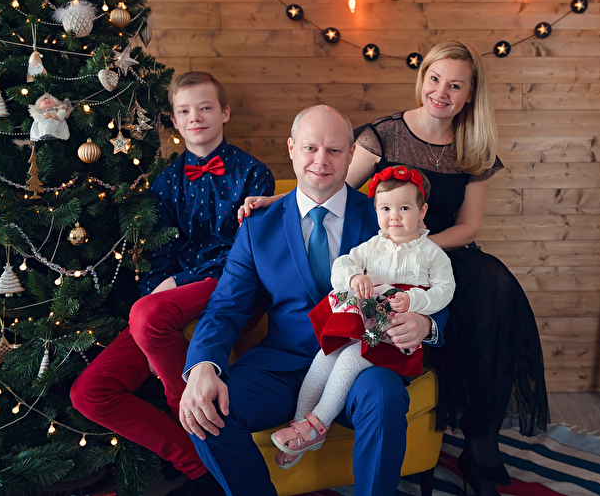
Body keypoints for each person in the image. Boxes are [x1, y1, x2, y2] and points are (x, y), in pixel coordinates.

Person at [239, 40, 550, 496]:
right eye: (435, 79)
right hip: (383, 253)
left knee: (494, 284)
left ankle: (481, 441)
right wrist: (277, 202)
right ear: (422, 78)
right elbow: (327, 184)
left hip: (439, 250)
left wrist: (418, 250)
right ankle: (316, 418)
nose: (441, 92)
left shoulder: (474, 145)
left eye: (456, 85)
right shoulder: (385, 134)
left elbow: (468, 226)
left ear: (469, 95)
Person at [179, 105, 448, 496]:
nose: (321, 160)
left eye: (334, 150)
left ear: (352, 153)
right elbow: (226, 307)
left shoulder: (385, 215)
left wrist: (426, 324)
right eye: (310, 148)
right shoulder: (258, 226)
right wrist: (203, 365)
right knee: (204, 411)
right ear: (291, 149)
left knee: (385, 396)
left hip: (363, 360)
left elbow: (431, 282)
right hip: (281, 365)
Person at [70, 71, 274, 496]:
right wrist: (156, 302)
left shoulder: (254, 174)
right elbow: (158, 251)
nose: (195, 117)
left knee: (149, 314)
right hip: (169, 301)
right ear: (175, 122)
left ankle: (197, 426)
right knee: (89, 393)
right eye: (184, 111)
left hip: (233, 286)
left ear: (225, 113)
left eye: (205, 107)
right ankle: (199, 466)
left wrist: (175, 284)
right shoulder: (164, 182)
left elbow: (245, 252)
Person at [270, 165, 455, 469]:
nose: (394, 216)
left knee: (349, 358)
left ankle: (317, 426)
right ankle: (300, 425)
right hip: (366, 323)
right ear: (376, 210)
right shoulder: (373, 246)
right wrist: (354, 276)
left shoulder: (432, 253)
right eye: (385, 208)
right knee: (325, 355)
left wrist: (414, 299)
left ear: (422, 211)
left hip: (394, 335)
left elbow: (445, 290)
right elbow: (343, 264)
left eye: (404, 208)